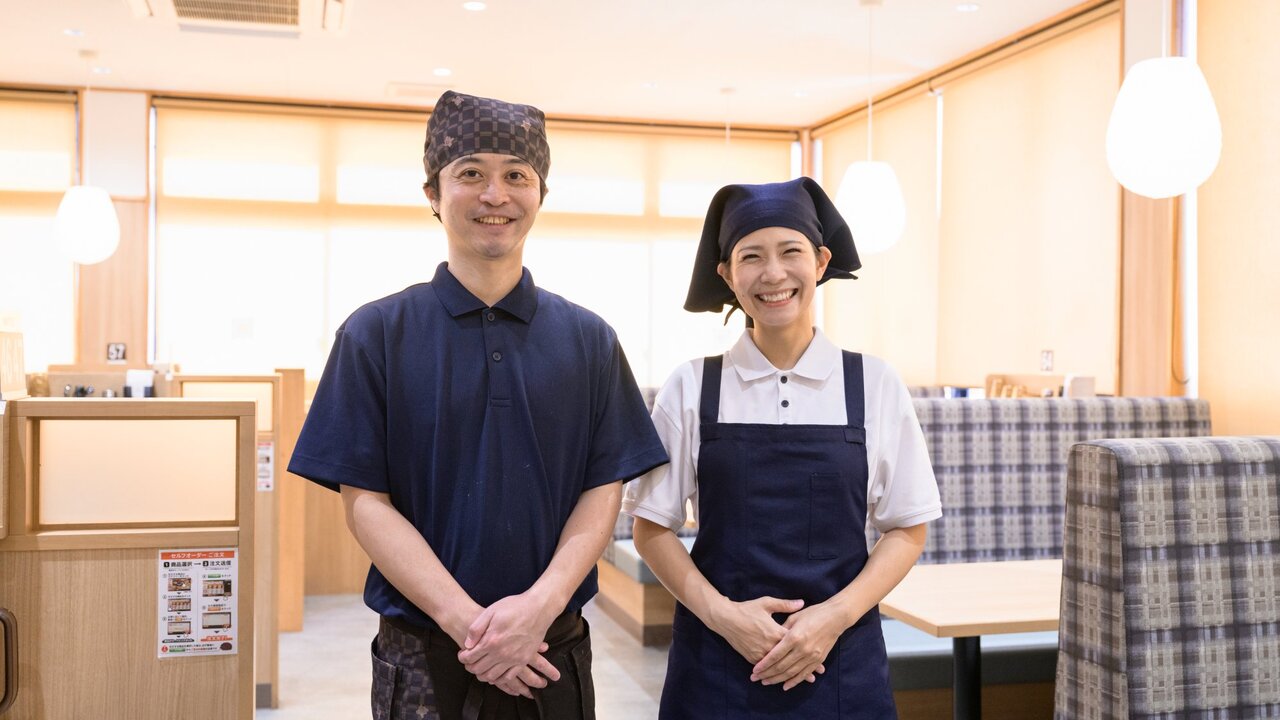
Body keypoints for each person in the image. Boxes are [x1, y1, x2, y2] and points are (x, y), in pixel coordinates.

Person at [289, 90, 668, 720]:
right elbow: (365, 503)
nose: (496, 195)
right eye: (471, 174)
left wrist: (539, 609)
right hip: (423, 657)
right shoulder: (375, 333)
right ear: (433, 194)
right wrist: (472, 626)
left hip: (552, 649)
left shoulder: (589, 339)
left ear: (539, 195)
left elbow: (602, 492)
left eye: (516, 176)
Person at [623, 177, 942, 718]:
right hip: (717, 661)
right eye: (751, 256)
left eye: (790, 251)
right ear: (727, 274)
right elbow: (652, 528)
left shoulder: (873, 383)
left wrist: (833, 617)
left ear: (820, 261)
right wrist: (725, 616)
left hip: (840, 659)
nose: (773, 274)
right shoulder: (693, 385)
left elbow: (908, 528)